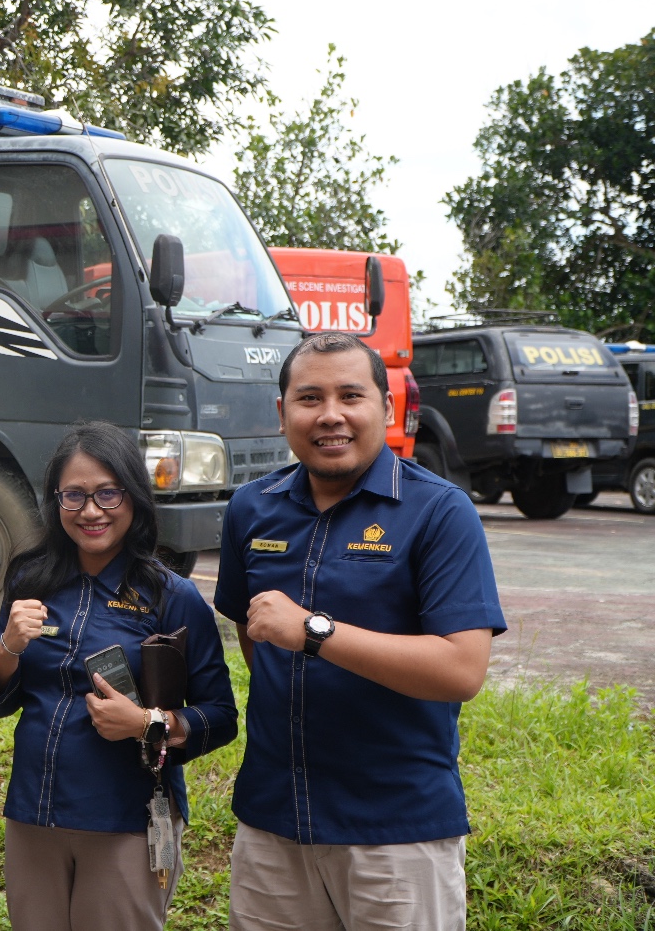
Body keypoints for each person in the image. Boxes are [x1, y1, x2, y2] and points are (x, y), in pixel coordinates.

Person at [214, 331, 507, 931]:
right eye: (309, 398)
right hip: (273, 828)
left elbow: (462, 669)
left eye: (351, 395)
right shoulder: (251, 508)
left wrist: (315, 632)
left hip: (395, 836)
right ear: (281, 413)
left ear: (387, 408)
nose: (330, 416)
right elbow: (255, 637)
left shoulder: (439, 512)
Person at [0, 421, 237, 931]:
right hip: (35, 812)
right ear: (55, 500)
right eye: (73, 496)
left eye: (107, 494)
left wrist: (146, 723)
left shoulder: (171, 596)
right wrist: (9, 644)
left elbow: (222, 717)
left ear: (134, 497)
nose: (90, 511)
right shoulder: (32, 577)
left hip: (127, 818)